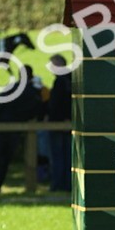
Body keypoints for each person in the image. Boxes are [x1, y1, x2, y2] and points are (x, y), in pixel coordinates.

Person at [0, 66, 42, 194]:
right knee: (5, 159)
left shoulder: (11, 88)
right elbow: (36, 110)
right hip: (16, 130)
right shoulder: (33, 92)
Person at [46, 56, 73, 192]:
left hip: (58, 124)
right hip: (67, 123)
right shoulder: (70, 78)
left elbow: (57, 104)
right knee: (67, 156)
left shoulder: (60, 81)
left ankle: (57, 184)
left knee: (57, 156)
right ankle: (67, 184)